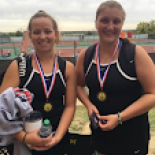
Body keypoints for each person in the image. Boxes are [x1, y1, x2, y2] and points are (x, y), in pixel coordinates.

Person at [76, 1, 155, 155]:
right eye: (104, 20)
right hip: (101, 135)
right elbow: (78, 86)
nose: (110, 27)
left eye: (116, 21)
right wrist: (88, 105)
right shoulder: (86, 55)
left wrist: (120, 117)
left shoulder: (135, 54)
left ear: (122, 24)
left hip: (132, 136)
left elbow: (152, 94)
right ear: (96, 23)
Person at [0, 10, 76, 155]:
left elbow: (70, 106)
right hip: (25, 145)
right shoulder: (19, 66)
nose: (42, 36)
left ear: (56, 35)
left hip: (58, 140)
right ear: (30, 36)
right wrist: (25, 138)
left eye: (47, 31)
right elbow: (2, 110)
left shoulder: (68, 68)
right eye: (36, 32)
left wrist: (58, 137)